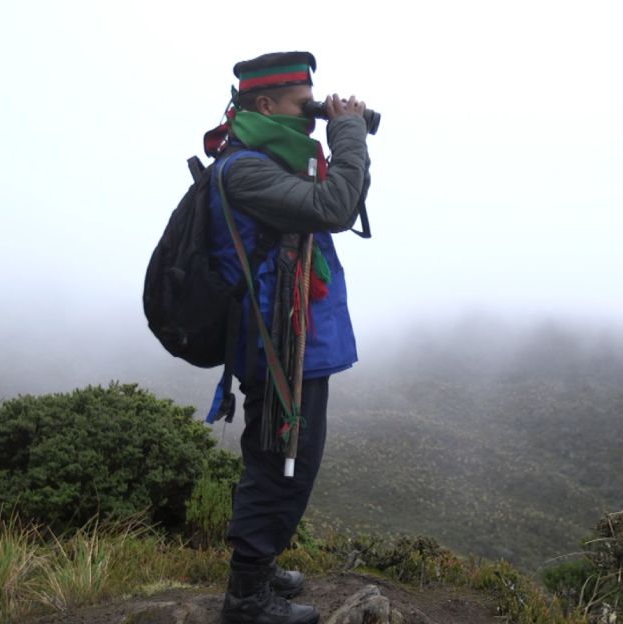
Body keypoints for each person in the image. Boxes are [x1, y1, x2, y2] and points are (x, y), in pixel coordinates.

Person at [202, 51, 371, 624]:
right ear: (265, 104)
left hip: (297, 335)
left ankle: (259, 566)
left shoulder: (274, 161)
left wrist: (344, 138)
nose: (313, 115)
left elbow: (337, 204)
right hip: (280, 343)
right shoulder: (246, 169)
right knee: (283, 462)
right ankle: (246, 598)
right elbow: (334, 205)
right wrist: (348, 132)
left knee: (277, 454)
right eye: (305, 106)